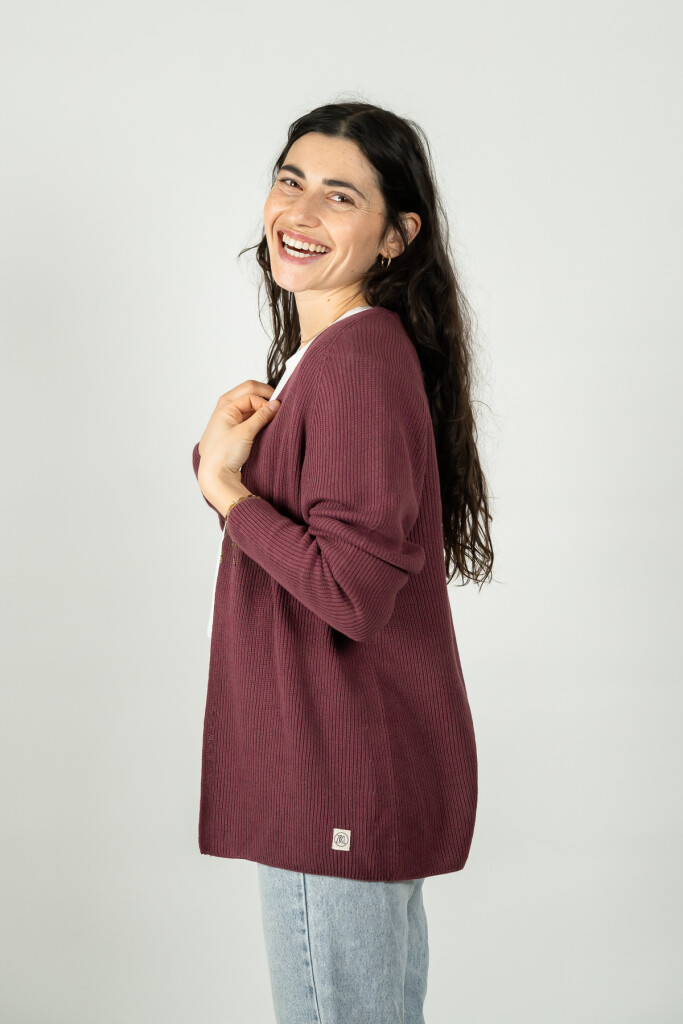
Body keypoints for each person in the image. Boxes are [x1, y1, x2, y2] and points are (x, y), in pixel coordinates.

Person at [191, 100, 494, 1024]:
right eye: (290, 181)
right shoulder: (327, 356)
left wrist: (228, 491)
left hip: (336, 774)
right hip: (346, 770)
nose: (300, 211)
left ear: (396, 236)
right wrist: (221, 469)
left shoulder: (355, 363)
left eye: (339, 196)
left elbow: (346, 591)